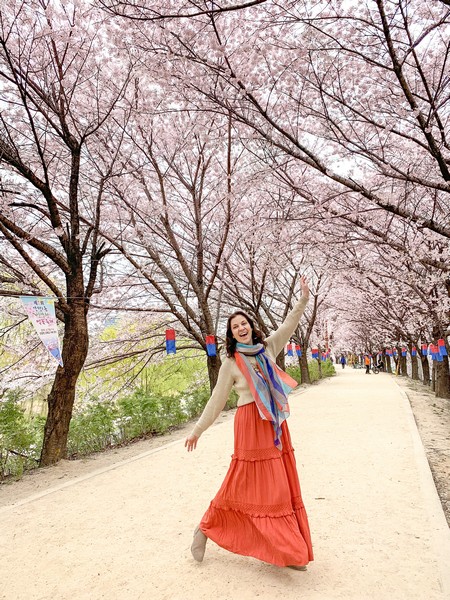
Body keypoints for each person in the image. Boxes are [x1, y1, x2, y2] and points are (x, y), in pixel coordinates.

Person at [185, 276, 313, 570]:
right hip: (248, 425)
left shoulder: (268, 347)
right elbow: (216, 401)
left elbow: (289, 324)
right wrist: (197, 431)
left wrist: (303, 299)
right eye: (235, 327)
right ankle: (206, 526)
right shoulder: (230, 363)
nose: (241, 329)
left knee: (279, 487)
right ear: (231, 334)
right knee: (241, 481)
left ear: (251, 327)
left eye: (244, 324)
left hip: (273, 423)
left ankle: (288, 549)